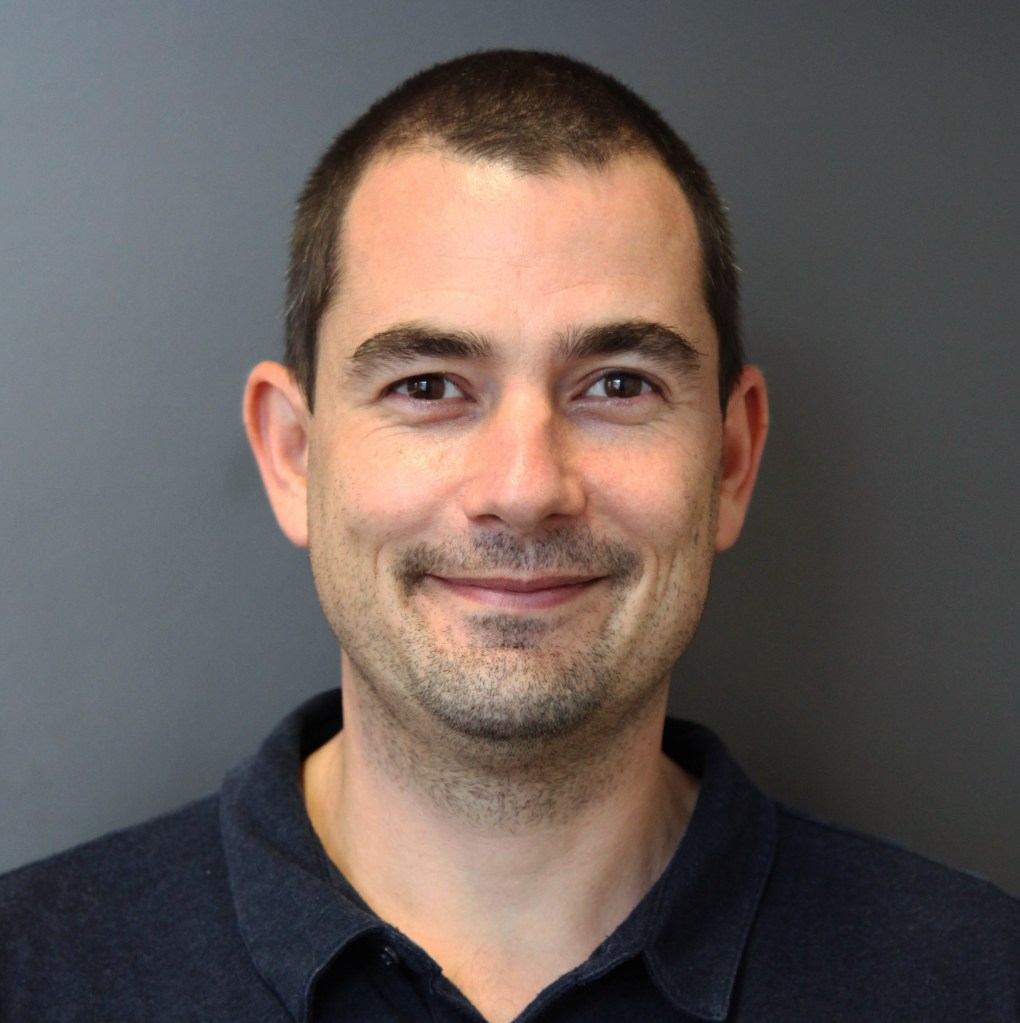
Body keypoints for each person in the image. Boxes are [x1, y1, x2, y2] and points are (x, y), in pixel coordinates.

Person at [1, 50, 1016, 1023]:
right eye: (429, 386)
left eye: (619, 385)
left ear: (731, 461)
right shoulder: (29, 977)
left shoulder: (977, 984)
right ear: (294, 456)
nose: (526, 489)